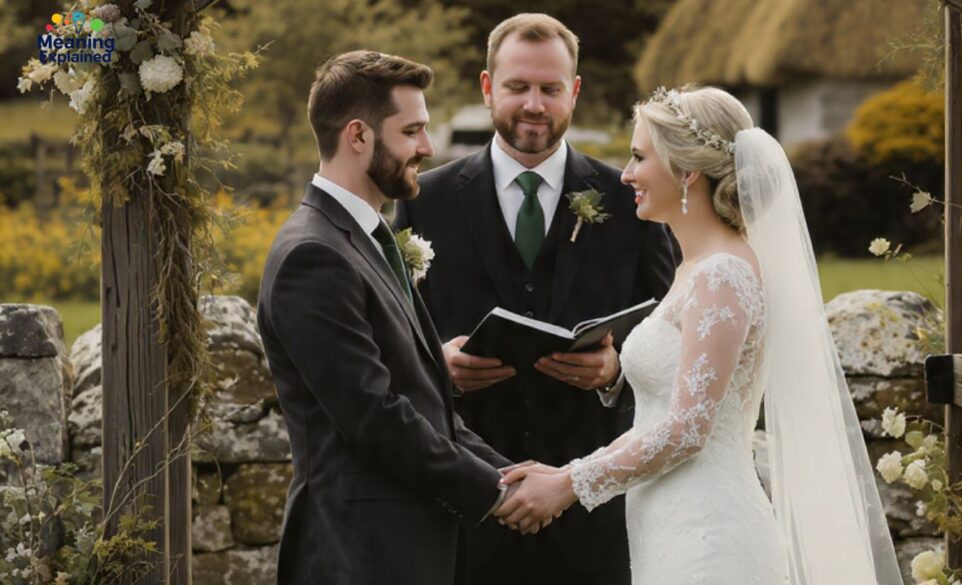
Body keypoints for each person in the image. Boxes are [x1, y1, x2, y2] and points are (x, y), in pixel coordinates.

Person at [496, 86, 905, 584]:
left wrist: (569, 484)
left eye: (639, 156)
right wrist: (564, 473)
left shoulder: (723, 275)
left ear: (686, 172)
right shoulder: (696, 268)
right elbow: (659, 419)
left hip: (710, 535)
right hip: (672, 526)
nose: (626, 174)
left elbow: (688, 430)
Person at [393, 13, 676, 585]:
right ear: (486, 86)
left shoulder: (630, 201)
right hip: (467, 509)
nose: (534, 105)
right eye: (517, 87)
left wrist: (617, 370)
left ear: (573, 91)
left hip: (593, 518)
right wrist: (437, 367)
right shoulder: (427, 200)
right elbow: (398, 329)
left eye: (550, 89)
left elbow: (673, 328)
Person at [256, 50, 520, 585]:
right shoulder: (314, 256)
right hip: (358, 553)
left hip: (400, 549)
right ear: (358, 135)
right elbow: (375, 416)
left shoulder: (366, 239)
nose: (426, 147)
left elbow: (425, 400)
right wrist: (497, 491)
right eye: (413, 131)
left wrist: (509, 471)